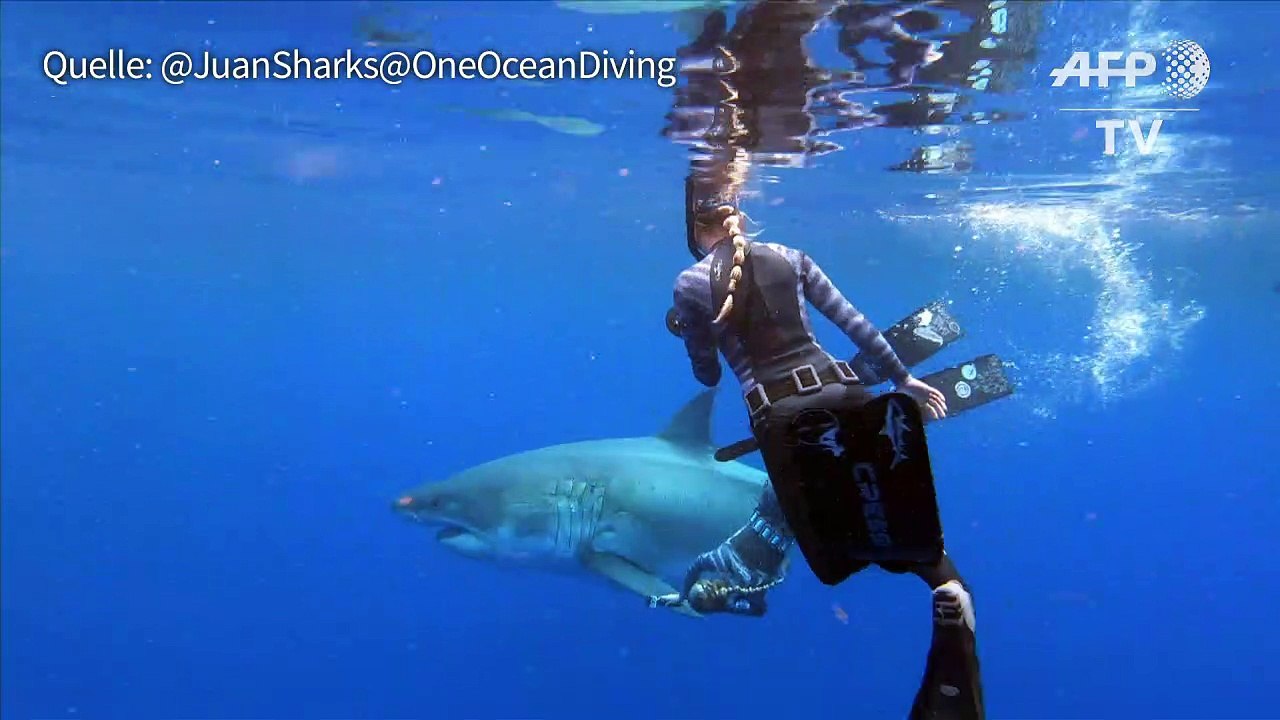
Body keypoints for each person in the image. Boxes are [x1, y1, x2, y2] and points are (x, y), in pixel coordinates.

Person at [654, 180, 985, 719]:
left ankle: (781, 573)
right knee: (900, 521)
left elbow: (707, 373)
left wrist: (687, 329)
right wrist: (904, 381)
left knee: (834, 549)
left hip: (782, 420)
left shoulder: (691, 284)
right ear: (739, 213)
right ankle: (945, 585)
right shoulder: (790, 256)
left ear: (695, 228)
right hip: (847, 392)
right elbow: (855, 323)